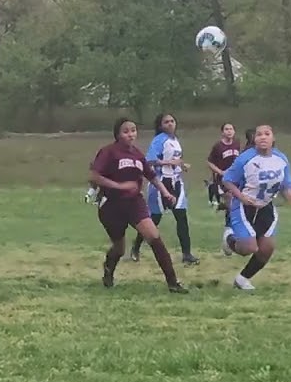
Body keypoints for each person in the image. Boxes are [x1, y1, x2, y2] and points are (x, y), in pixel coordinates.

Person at [90, 118, 189, 293]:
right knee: (119, 248)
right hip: (111, 206)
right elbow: (95, 176)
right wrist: (119, 186)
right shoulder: (108, 152)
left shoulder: (137, 154)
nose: (130, 134)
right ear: (118, 134)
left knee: (154, 237)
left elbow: (151, 176)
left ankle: (173, 283)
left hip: (134, 203)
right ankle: (108, 269)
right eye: (126, 131)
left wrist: (166, 193)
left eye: (133, 130)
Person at [221, 124, 291, 290]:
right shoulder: (245, 158)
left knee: (267, 248)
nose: (263, 137)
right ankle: (229, 239)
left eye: (267, 134)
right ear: (254, 139)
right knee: (248, 248)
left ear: (273, 138)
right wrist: (242, 197)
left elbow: (286, 184)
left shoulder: (281, 159)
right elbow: (227, 180)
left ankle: (242, 279)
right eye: (259, 134)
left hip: (265, 207)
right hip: (244, 207)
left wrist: (290, 195)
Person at [130, 113, 199, 264]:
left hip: (176, 182)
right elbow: (149, 161)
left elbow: (174, 160)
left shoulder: (175, 140)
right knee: (153, 220)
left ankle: (187, 254)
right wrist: (170, 163)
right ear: (160, 125)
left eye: (172, 121)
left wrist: (182, 165)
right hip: (161, 183)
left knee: (181, 217)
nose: (170, 124)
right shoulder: (159, 140)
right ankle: (136, 247)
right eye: (166, 122)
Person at [206, 123, 242, 212]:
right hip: (223, 180)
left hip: (236, 178)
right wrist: (221, 172)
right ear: (222, 132)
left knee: (236, 204)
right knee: (230, 203)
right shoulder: (218, 146)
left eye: (231, 129)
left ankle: (222, 207)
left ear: (234, 131)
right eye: (226, 129)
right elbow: (209, 162)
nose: (229, 131)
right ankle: (226, 212)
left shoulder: (237, 143)